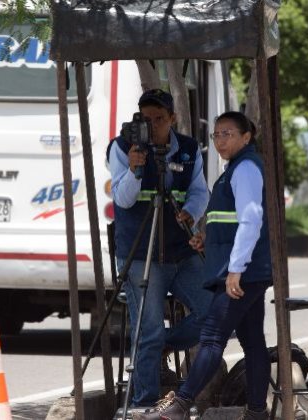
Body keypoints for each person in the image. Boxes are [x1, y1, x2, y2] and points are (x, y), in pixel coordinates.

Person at [135, 111, 273, 420]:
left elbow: (251, 220)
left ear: (246, 137)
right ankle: (256, 413)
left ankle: (179, 405)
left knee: (212, 337)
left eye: (228, 134)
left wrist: (235, 270)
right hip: (245, 268)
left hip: (241, 271)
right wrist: (205, 239)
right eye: (216, 135)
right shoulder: (234, 169)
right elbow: (228, 220)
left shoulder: (246, 168)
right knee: (253, 342)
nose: (221, 140)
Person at [108, 89, 212, 408]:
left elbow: (199, 192)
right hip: (141, 252)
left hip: (179, 250)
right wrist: (134, 169)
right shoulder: (123, 146)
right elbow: (123, 199)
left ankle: (162, 345)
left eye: (159, 119)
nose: (152, 125)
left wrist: (191, 212)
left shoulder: (189, 149)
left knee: (214, 314)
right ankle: (144, 404)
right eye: (146, 118)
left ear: (172, 119)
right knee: (148, 329)